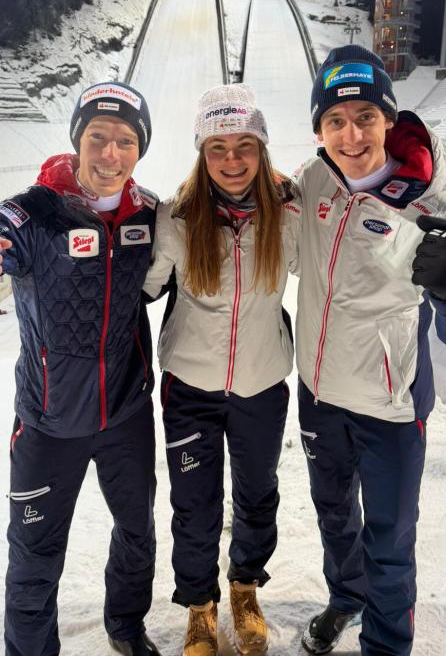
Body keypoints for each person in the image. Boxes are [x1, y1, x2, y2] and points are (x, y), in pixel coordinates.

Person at [0, 82, 162, 656]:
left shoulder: (149, 212)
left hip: (126, 417)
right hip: (48, 424)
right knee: (35, 561)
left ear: (139, 149)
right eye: (98, 137)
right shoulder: (29, 212)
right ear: (77, 140)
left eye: (125, 140)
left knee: (138, 536)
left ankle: (125, 626)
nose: (110, 154)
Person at [294, 45, 446, 656]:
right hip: (319, 395)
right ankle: (345, 597)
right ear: (319, 130)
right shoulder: (312, 182)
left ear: (389, 120)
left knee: (388, 538)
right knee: (335, 518)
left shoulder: (437, 205)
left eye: (365, 117)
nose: (351, 134)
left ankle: (386, 644)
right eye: (335, 120)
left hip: (391, 406)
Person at [144, 84, 301, 656]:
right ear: (201, 152)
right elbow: (142, 285)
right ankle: (199, 607)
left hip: (261, 382)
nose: (231, 161)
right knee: (195, 503)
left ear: (261, 148)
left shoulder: (290, 210)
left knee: (258, 494)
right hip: (191, 386)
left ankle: (244, 589)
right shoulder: (178, 216)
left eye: (244, 146)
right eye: (217, 147)